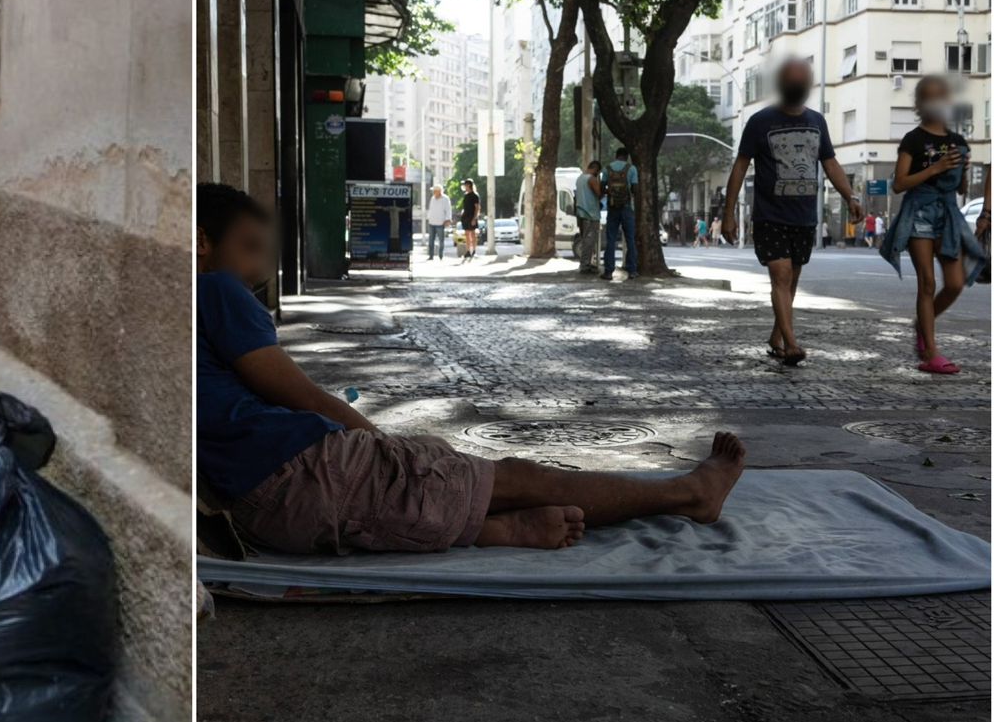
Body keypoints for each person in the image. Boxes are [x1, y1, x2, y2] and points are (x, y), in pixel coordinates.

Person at [195, 182, 749, 554]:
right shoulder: (213, 289)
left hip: (271, 502)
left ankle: (490, 528)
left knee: (445, 476)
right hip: (295, 476)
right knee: (512, 476)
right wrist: (388, 448)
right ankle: (688, 495)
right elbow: (309, 400)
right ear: (200, 243)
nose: (255, 269)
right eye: (247, 249)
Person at [722, 58, 862, 366]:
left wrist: (850, 195)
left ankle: (776, 336)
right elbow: (740, 165)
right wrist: (729, 213)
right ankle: (791, 343)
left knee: (791, 280)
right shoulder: (760, 122)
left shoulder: (817, 121)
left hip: (803, 217)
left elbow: (830, 163)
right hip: (770, 215)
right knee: (781, 276)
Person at [878, 74, 986, 374]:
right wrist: (936, 168)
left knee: (954, 284)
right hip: (919, 213)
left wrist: (961, 170)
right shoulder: (913, 139)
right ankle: (931, 353)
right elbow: (899, 184)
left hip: (948, 215)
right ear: (920, 103)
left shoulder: (957, 141)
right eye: (930, 96)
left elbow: (962, 189)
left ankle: (922, 326)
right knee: (927, 283)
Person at [600, 148, 638, 280]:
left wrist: (610, 193)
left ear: (616, 156)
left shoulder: (607, 169)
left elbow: (602, 186)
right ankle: (632, 270)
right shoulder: (631, 169)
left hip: (612, 207)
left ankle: (608, 271)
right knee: (630, 240)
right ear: (626, 157)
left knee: (610, 240)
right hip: (627, 207)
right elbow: (635, 189)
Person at [573, 161, 602, 274]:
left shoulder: (580, 179)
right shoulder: (591, 179)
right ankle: (585, 266)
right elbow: (599, 193)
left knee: (585, 240)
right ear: (596, 170)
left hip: (581, 213)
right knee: (589, 241)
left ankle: (587, 263)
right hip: (590, 214)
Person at [424, 185, 452, 261]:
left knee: (441, 240)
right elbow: (431, 209)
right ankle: (431, 255)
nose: (433, 192)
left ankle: (441, 255)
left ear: (439, 191)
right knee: (430, 240)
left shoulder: (445, 199)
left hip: (440, 223)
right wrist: (428, 218)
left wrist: (448, 219)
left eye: (435, 191)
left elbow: (448, 210)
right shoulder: (432, 198)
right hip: (431, 222)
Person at [458, 179, 481, 261]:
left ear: (469, 185)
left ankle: (474, 251)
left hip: (472, 217)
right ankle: (468, 251)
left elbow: (477, 208)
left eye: (465, 185)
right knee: (467, 234)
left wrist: (475, 218)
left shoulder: (475, 195)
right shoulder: (466, 195)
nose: (464, 186)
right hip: (465, 217)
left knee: (473, 234)